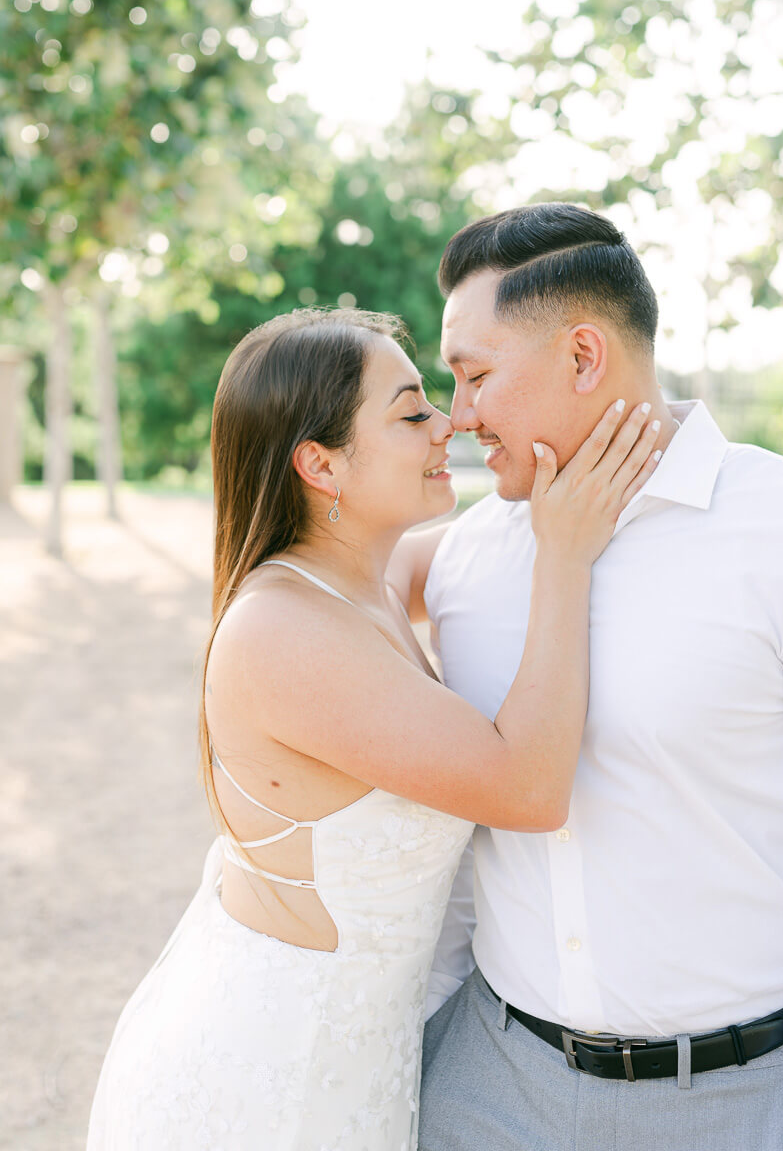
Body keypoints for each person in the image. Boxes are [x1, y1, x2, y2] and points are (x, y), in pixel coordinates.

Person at [86, 306, 658, 1150]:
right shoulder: (282, 633)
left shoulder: (364, 579)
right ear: (319, 464)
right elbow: (528, 788)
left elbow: (482, 551)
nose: (450, 425)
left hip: (355, 1066)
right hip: (271, 1079)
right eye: (411, 412)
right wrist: (564, 557)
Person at [412, 203, 783, 1151]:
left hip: (745, 1104)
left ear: (584, 357)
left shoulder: (780, 532)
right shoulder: (467, 556)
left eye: (475, 375)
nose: (457, 416)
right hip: (487, 1092)